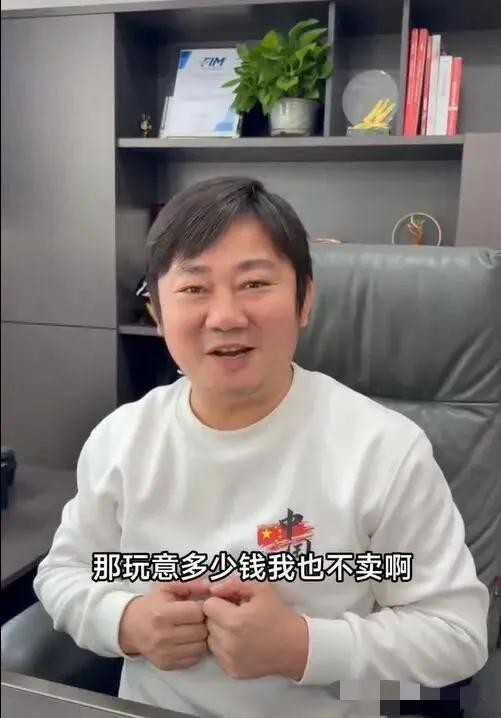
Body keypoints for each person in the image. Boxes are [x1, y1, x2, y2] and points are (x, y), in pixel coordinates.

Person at [34, 176, 489, 718]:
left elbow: (456, 635)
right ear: (157, 312)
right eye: (194, 289)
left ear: (304, 301)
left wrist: (301, 646)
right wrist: (125, 622)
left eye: (254, 283)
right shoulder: (122, 440)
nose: (226, 316)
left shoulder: (383, 449)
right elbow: (62, 574)